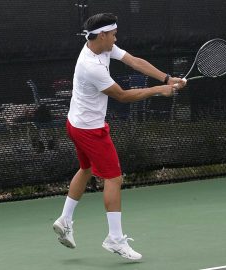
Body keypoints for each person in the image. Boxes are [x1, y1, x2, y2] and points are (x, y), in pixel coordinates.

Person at [52, 13, 186, 260]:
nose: (116, 38)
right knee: (114, 178)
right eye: (113, 34)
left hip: (75, 123)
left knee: (86, 168)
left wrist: (166, 78)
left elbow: (134, 61)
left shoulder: (101, 46)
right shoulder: (91, 67)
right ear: (101, 35)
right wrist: (159, 90)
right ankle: (114, 239)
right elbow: (122, 96)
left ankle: (65, 219)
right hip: (90, 130)